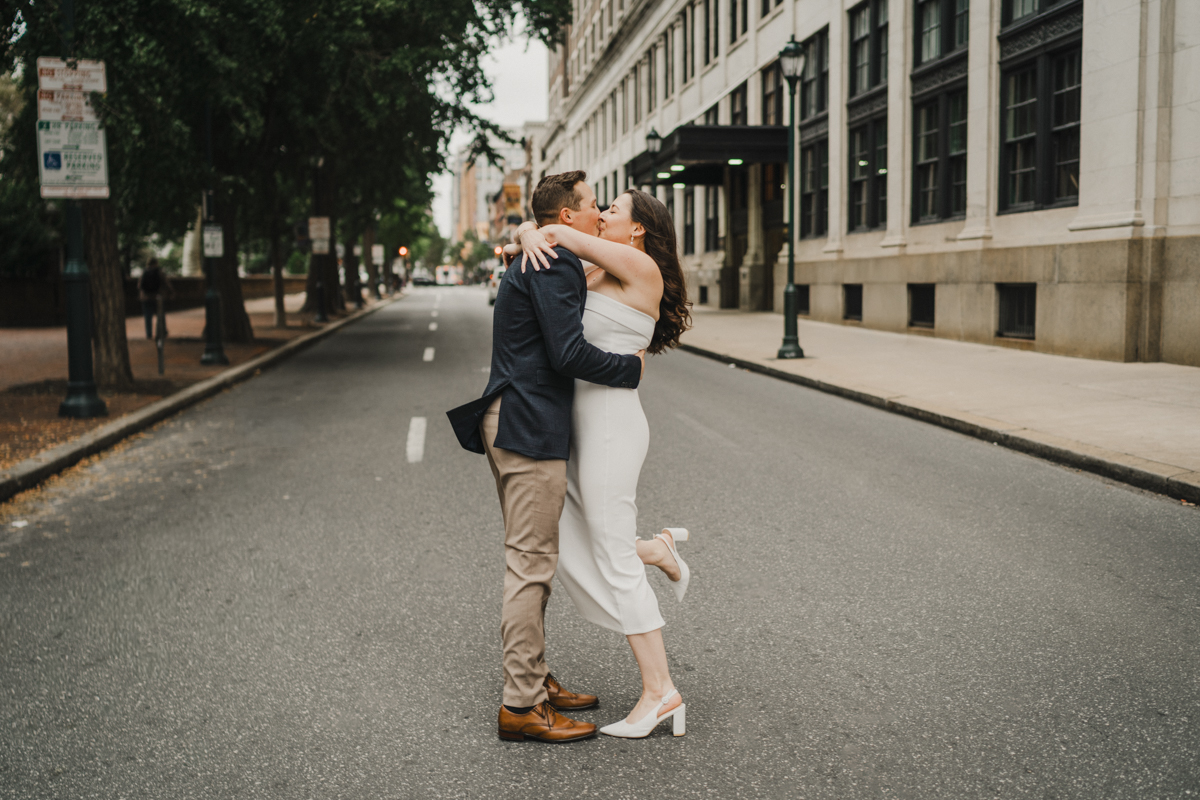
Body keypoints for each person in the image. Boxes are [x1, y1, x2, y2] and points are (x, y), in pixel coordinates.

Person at [446, 171, 646, 744]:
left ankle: (533, 678)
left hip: (515, 417)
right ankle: (522, 705)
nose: (599, 213)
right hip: (527, 421)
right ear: (568, 217)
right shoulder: (555, 260)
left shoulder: (550, 250)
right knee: (530, 564)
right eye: (591, 206)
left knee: (531, 560)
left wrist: (526, 230)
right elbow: (566, 352)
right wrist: (630, 370)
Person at [508, 188, 693, 740]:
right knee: (570, 538)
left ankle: (661, 693)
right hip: (580, 425)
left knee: (611, 554)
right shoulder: (592, 274)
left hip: (613, 424)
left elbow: (558, 233)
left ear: (638, 229)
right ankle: (656, 549)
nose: (604, 214)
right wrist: (522, 238)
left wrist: (537, 233)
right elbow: (542, 251)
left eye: (613, 209)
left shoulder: (640, 265)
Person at [137, 258, 173, 340]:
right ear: (156, 263)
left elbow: (139, 285)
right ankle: (161, 332)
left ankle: (149, 334)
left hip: (146, 298)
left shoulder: (144, 272)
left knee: (147, 316)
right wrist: (171, 292)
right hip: (157, 297)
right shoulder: (159, 272)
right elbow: (166, 283)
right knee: (160, 316)